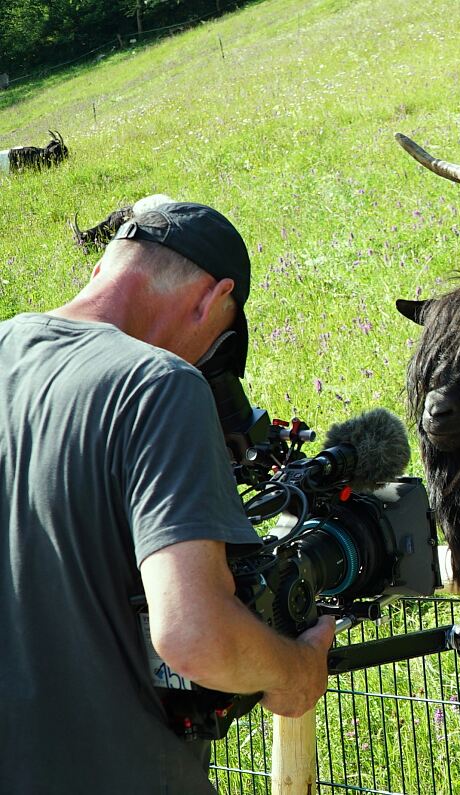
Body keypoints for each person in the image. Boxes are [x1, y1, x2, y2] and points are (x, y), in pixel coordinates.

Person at [0, 202, 336, 793]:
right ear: (212, 298)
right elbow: (191, 635)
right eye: (218, 347)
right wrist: (296, 670)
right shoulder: (160, 386)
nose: (205, 366)